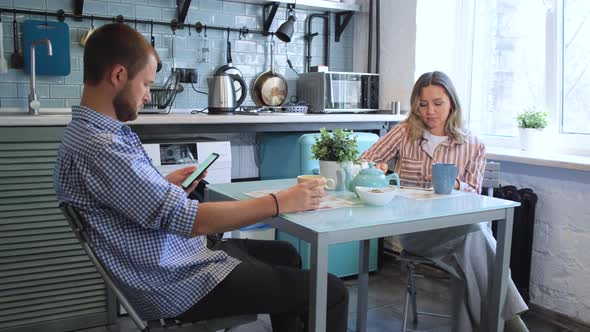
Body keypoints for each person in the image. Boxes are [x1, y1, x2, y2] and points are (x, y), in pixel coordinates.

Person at [53, 23, 348, 332]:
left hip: (175, 261)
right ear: (118, 76)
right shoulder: (104, 148)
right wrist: (278, 201)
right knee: (332, 292)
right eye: (145, 85)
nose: (148, 97)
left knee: (286, 254)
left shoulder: (92, 134)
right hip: (177, 283)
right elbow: (192, 220)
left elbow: (124, 201)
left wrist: (166, 186)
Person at [361, 71, 528, 331]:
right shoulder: (403, 133)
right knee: (477, 239)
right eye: (423, 104)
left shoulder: (473, 144)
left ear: (452, 103)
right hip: (415, 230)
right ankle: (512, 323)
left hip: (458, 227)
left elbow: (473, 192)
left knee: (471, 250)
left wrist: (457, 184)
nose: (430, 112)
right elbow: (363, 162)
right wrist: (379, 169)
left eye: (438, 103)